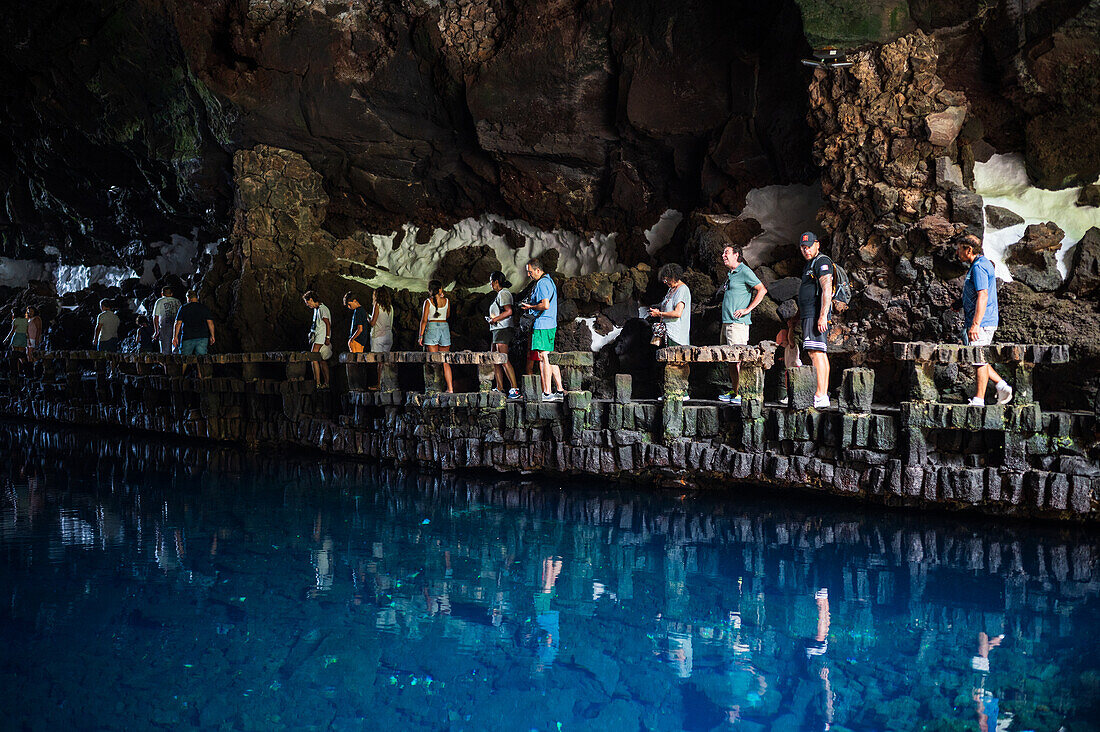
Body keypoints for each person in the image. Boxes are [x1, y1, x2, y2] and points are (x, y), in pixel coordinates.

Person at [956, 234, 1013, 406]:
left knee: (978, 359)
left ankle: (979, 399)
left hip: (982, 321)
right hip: (983, 319)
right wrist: (960, 303)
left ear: (969, 250)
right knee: (978, 356)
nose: (957, 253)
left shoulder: (979, 267)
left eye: (959, 249)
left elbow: (983, 295)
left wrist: (975, 324)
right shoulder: (981, 263)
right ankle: (1002, 386)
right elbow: (977, 292)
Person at [717, 245, 767, 404]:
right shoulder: (731, 274)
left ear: (736, 255)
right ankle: (735, 389)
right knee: (731, 359)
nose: (723, 255)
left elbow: (762, 289)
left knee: (738, 358)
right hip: (727, 322)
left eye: (726, 253)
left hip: (737, 323)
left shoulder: (744, 271)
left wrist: (748, 309)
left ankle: (741, 394)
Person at [520, 257, 564, 402]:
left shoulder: (541, 283)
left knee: (543, 358)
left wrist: (530, 307)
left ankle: (546, 392)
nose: (529, 275)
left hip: (542, 324)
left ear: (537, 270)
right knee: (549, 356)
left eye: (530, 272)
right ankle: (559, 390)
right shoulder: (550, 281)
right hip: (551, 323)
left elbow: (545, 305)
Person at [797, 232, 833, 409]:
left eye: (809, 246)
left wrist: (822, 315)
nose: (806, 249)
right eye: (803, 247)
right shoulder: (809, 265)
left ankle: (820, 394)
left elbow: (827, 288)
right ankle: (822, 394)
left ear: (817, 244)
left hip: (815, 314)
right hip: (809, 314)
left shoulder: (822, 262)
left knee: (815, 352)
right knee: (818, 352)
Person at [487, 271, 519, 398]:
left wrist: (495, 319)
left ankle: (515, 389)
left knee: (503, 359)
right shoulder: (499, 294)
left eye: (491, 281)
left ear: (495, 282)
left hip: (503, 329)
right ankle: (499, 387)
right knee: (495, 359)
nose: (490, 284)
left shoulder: (504, 293)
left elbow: (509, 311)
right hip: (496, 330)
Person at [418, 280, 453, 393]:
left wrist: (420, 335)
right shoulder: (446, 301)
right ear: (440, 289)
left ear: (430, 291)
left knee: (433, 361)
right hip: (444, 327)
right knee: (445, 360)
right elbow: (447, 315)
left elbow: (424, 320)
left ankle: (434, 390)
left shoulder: (428, 302)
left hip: (432, 327)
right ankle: (450, 388)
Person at [648, 263, 692, 347]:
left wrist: (659, 314)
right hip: (667, 332)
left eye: (666, 280)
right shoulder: (671, 289)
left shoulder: (682, 290)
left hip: (676, 335)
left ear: (674, 277)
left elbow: (677, 313)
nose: (665, 282)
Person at [302, 291, 332, 389]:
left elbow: (327, 323)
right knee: (322, 360)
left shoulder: (323, 309)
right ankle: (325, 383)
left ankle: (317, 383)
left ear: (311, 299)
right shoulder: (317, 309)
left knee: (313, 357)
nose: (307, 305)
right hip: (318, 336)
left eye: (307, 302)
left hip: (321, 337)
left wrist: (327, 338)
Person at [172, 290, 215, 356]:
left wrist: (175, 337)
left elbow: (178, 323)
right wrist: (212, 335)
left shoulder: (184, 308)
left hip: (187, 337)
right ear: (197, 297)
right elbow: (210, 323)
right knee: (201, 360)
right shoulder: (204, 308)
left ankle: (184, 366)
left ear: (188, 298)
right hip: (202, 337)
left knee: (184, 359)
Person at [151, 286, 182, 354]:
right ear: (171, 294)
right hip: (177, 328)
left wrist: (156, 331)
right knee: (176, 349)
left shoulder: (159, 301)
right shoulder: (177, 301)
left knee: (165, 350)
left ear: (162, 294)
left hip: (165, 327)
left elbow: (155, 317)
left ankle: (166, 364)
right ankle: (176, 364)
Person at [368, 286, 394, 354]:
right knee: (385, 360)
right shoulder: (390, 307)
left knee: (377, 359)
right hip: (388, 337)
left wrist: (367, 317)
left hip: (378, 337)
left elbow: (372, 323)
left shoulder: (377, 305)